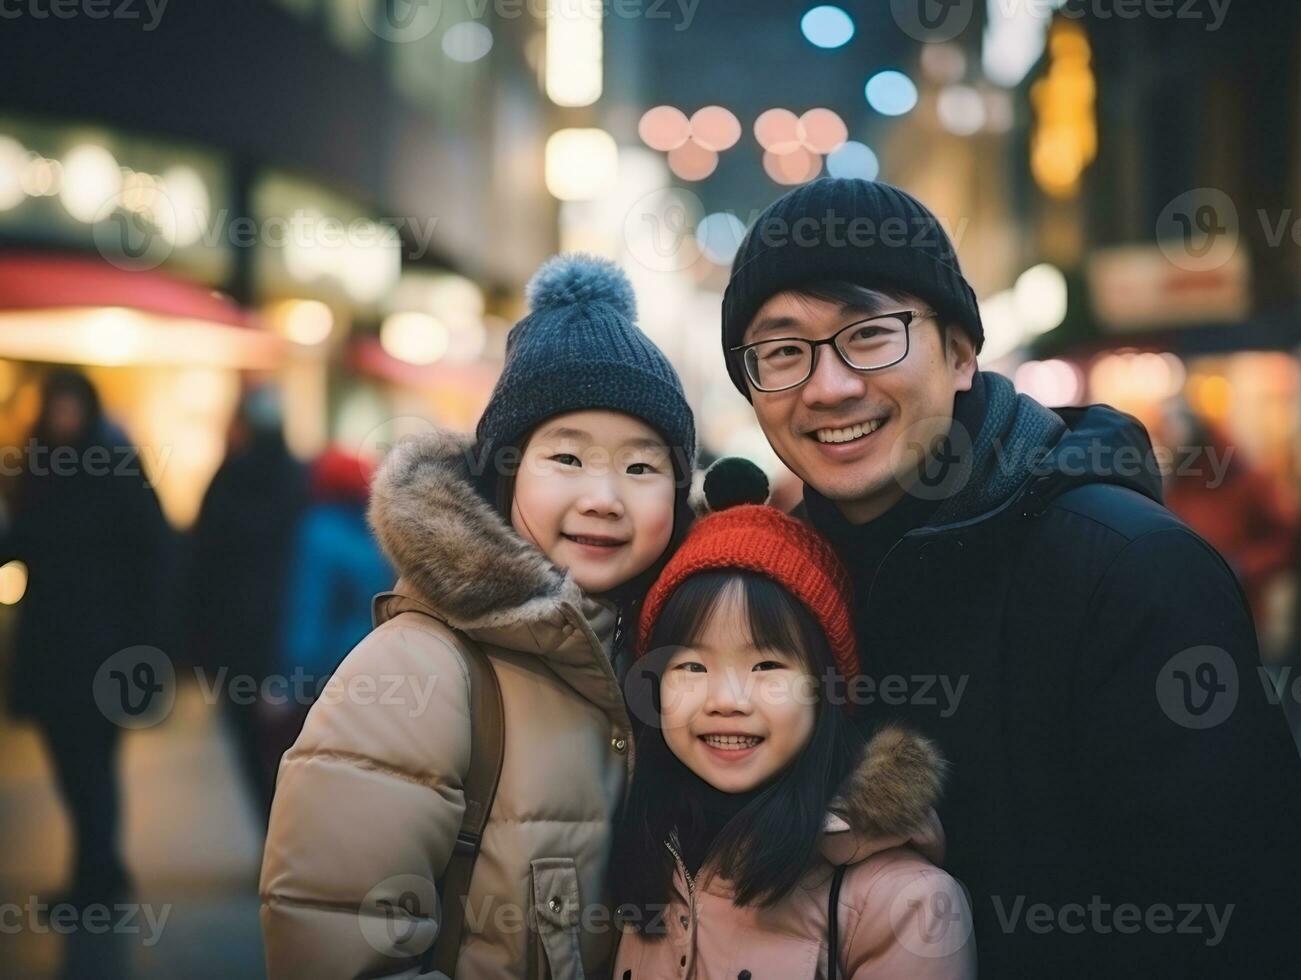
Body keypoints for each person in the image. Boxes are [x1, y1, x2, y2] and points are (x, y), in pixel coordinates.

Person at [719, 178, 1301, 976]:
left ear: (960, 353)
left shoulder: (1127, 569)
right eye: (783, 351)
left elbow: (1238, 923)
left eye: (870, 334)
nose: (829, 386)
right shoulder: (776, 593)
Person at [259, 254, 697, 978]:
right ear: (506, 471)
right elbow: (336, 949)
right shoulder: (415, 672)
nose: (605, 497)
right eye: (566, 458)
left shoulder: (674, 652)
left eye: (642, 466)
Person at [611, 459, 975, 978]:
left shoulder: (905, 905)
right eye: (692, 665)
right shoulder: (647, 857)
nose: (728, 699)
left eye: (766, 666)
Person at [3, 369, 169, 910]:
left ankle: (94, 883)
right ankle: (101, 871)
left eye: (73, 406)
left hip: (105, 647)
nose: (65, 417)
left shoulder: (115, 468)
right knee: (72, 765)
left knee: (91, 765)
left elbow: (153, 555)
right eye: (58, 405)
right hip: (53, 644)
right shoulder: (38, 468)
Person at [186, 385, 308, 818]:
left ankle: (274, 831)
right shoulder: (297, 480)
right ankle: (285, 834)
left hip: (246, 639)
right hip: (283, 636)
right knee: (289, 746)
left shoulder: (229, 481)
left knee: (253, 743)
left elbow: (200, 565)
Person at [260, 447, 393, 787]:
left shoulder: (317, 531)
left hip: (324, 679)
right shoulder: (382, 532)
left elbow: (309, 612)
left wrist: (290, 684)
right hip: (379, 671)